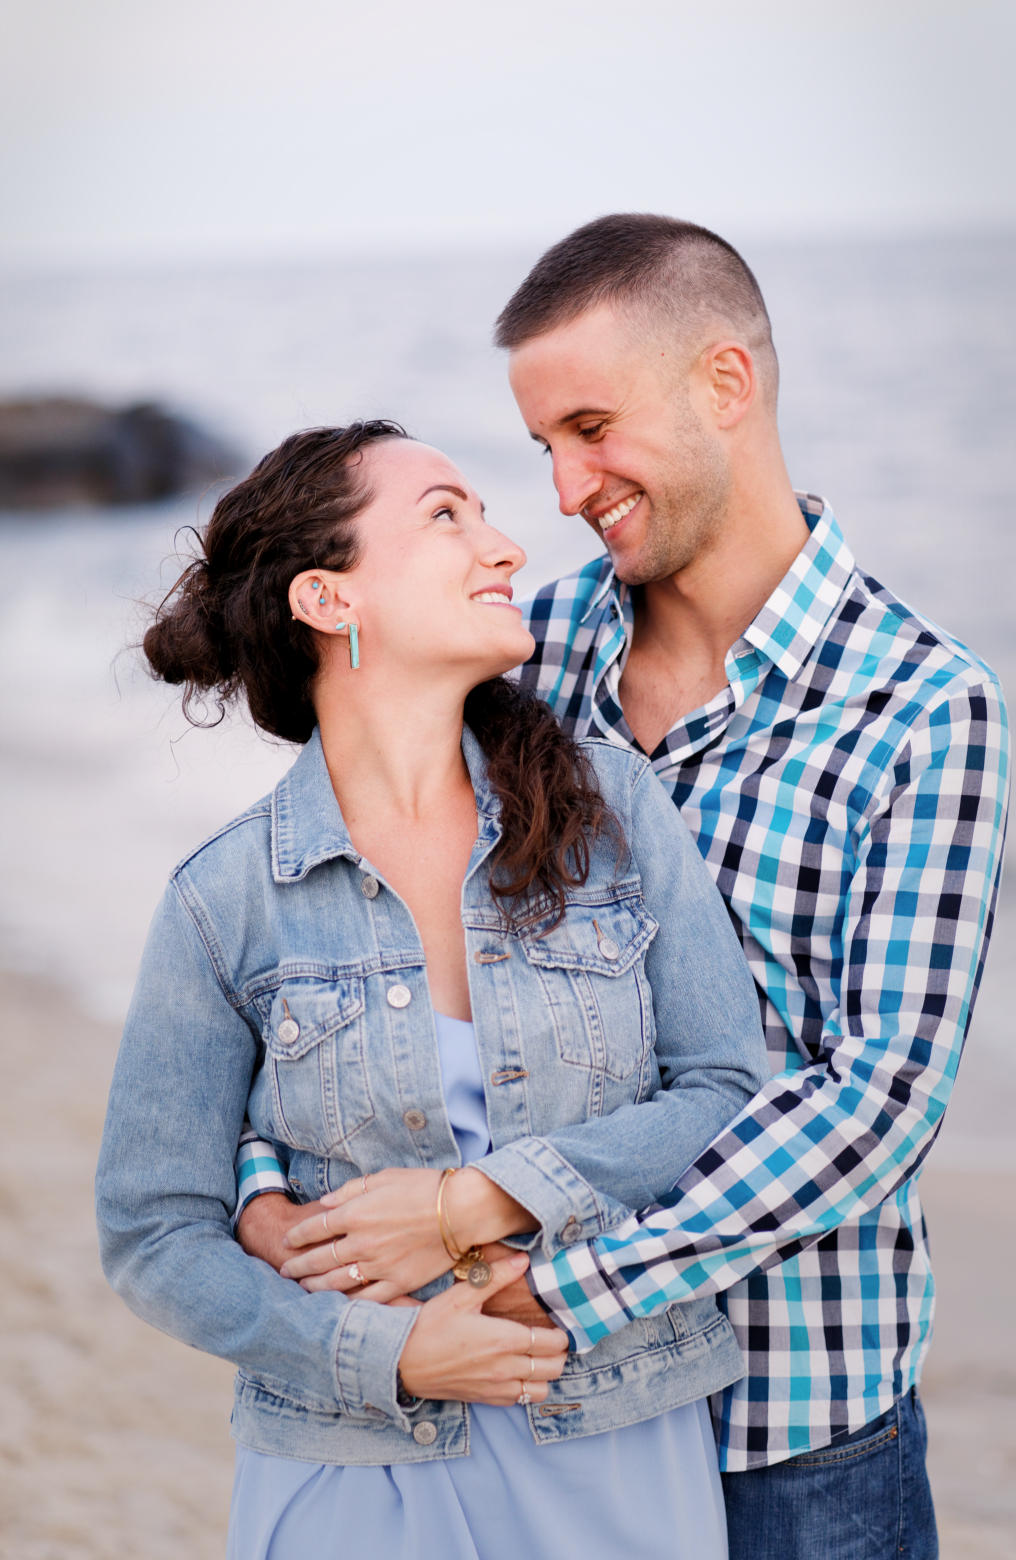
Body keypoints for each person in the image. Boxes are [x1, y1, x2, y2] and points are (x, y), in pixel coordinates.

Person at [237, 216, 1010, 1560]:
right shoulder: (532, 652)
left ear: (724, 385)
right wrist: (271, 1192)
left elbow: (874, 1102)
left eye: (590, 428)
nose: (562, 487)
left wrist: (538, 1268)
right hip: (528, 1436)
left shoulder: (924, 708)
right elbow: (348, 935)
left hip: (790, 1441)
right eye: (540, 444)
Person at [95, 419, 770, 1559]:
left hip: (610, 1434)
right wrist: (383, 1354)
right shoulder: (225, 899)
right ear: (328, 600)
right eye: (446, 515)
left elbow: (721, 1088)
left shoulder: (608, 812)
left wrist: (491, 1195)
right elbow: (154, 1231)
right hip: (347, 1460)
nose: (505, 545)